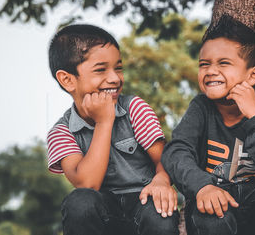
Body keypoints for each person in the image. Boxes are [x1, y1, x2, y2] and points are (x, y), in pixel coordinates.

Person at [161, 15, 255, 235]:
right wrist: (203, 186)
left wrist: (254, 117)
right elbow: (177, 152)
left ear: (252, 75)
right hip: (213, 208)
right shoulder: (201, 108)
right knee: (211, 214)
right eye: (204, 64)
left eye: (223, 63)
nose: (210, 71)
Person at [46, 24, 179, 235]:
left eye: (118, 68)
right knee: (78, 202)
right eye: (101, 70)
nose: (115, 78)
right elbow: (87, 184)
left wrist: (162, 181)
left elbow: (166, 159)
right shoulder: (61, 133)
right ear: (68, 80)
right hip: (103, 213)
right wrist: (104, 122)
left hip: (144, 201)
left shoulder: (135, 108)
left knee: (158, 210)